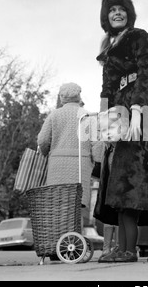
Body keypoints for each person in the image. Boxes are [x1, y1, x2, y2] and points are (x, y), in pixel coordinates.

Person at [93, 0, 148, 263]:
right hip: (120, 109)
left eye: (121, 9)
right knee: (123, 176)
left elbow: (147, 71)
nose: (117, 13)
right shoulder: (107, 49)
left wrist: (139, 111)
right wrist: (106, 127)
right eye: (112, 10)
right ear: (106, 16)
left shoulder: (139, 35)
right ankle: (127, 249)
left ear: (129, 13)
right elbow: (106, 89)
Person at [37, 82, 103, 224]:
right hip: (81, 166)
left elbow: (42, 140)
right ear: (79, 96)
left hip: (57, 166)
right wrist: (96, 161)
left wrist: (45, 152)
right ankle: (74, 238)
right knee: (76, 205)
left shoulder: (54, 115)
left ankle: (57, 237)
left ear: (62, 97)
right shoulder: (88, 116)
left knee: (58, 203)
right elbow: (97, 146)